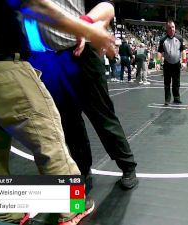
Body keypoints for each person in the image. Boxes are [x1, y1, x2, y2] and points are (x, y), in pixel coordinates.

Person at [0, 0, 115, 224]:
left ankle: (9, 213)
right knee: (48, 138)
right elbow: (36, 5)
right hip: (4, 68)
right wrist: (89, 31)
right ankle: (71, 207)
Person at [26, 0, 138, 190]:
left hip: (83, 53)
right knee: (69, 122)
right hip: (51, 58)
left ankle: (127, 166)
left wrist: (87, 31)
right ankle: (83, 171)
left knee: (102, 115)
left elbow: (106, 10)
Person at [157, 20, 185, 105]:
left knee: (176, 82)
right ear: (167, 29)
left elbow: (183, 51)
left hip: (176, 64)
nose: (172, 29)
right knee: (167, 82)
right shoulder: (163, 40)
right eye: (170, 28)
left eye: (173, 27)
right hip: (167, 64)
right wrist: (158, 63)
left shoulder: (179, 38)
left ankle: (176, 98)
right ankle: (167, 99)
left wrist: (184, 61)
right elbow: (159, 52)